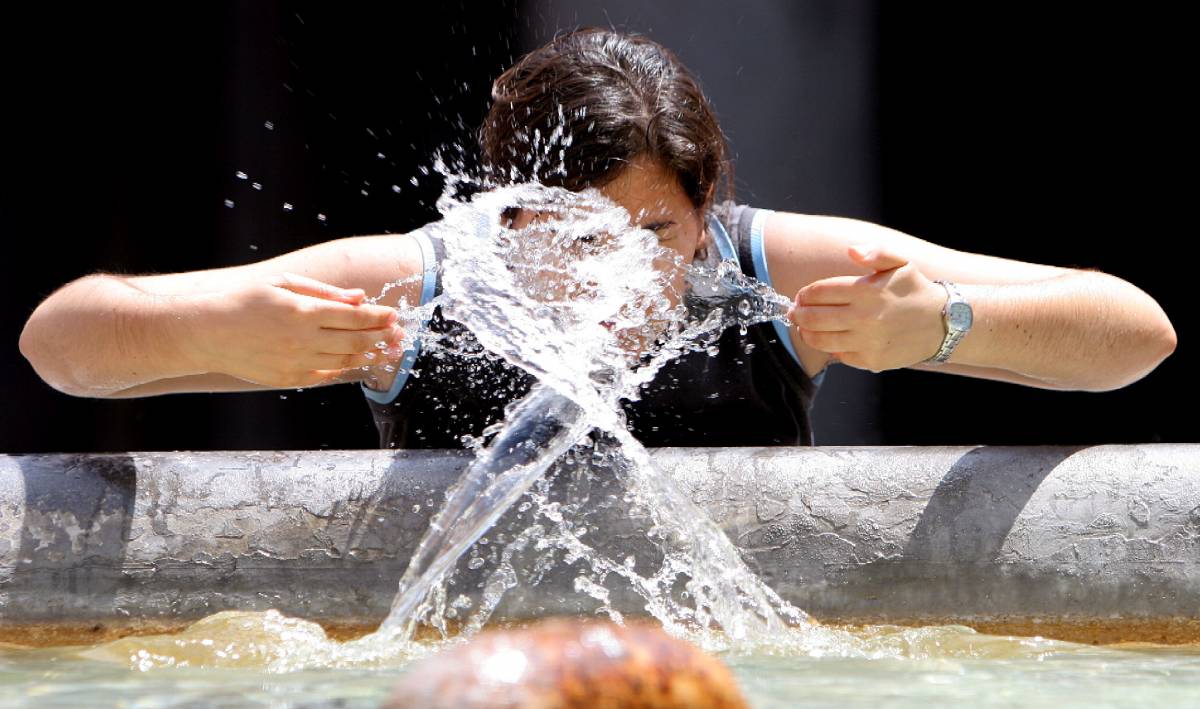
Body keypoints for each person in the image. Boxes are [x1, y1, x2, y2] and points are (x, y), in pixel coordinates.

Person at [19, 29, 1176, 449]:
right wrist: (226, 330)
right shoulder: (421, 286)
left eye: (657, 227)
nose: (621, 261)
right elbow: (59, 344)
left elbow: (1136, 334)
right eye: (575, 230)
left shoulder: (769, 267)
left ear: (704, 210)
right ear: (503, 212)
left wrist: (939, 328)